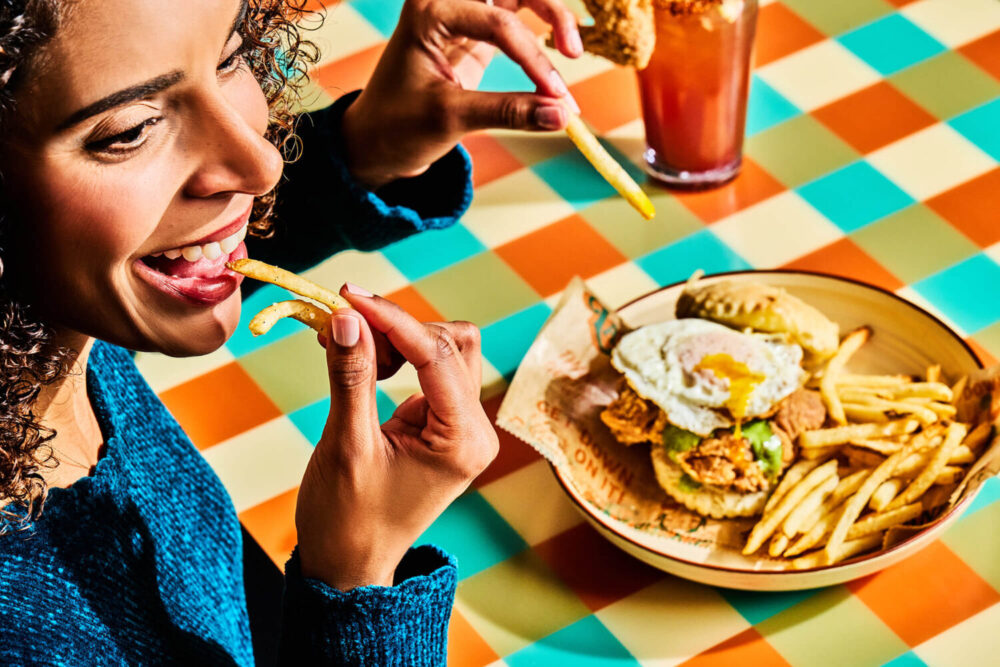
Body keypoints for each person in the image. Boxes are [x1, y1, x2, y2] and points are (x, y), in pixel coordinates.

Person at [0, 0, 582, 664]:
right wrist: (358, 580)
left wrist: (364, 146)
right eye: (130, 130)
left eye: (228, 56)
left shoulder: (54, 332)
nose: (261, 164)